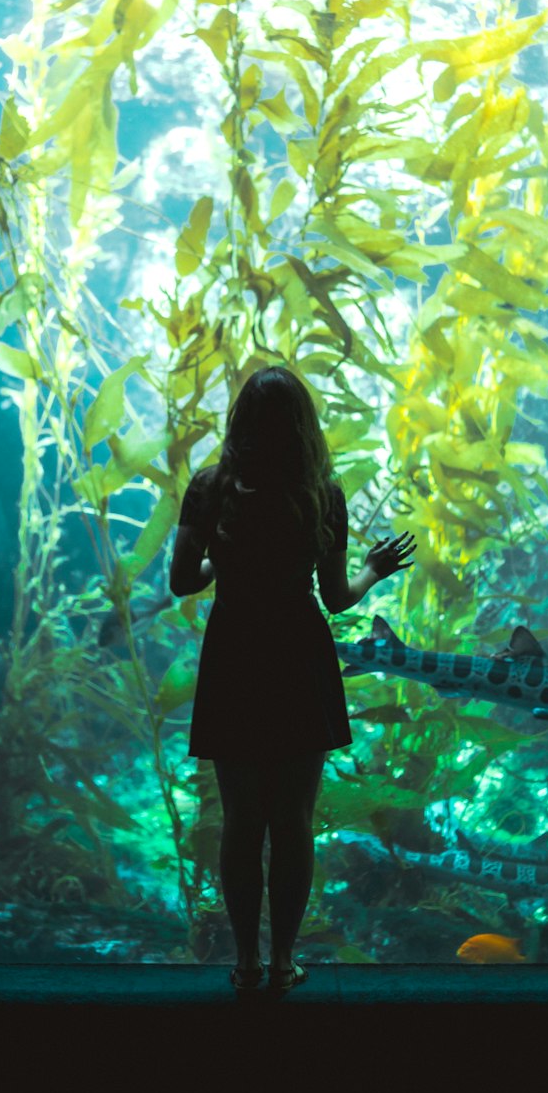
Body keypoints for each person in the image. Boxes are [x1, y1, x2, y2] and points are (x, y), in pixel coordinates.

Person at [169, 365, 415, 995]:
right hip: (298, 655)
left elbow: (182, 581)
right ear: (304, 428)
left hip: (235, 653)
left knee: (242, 819)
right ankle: (283, 961)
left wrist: (220, 558)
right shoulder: (321, 494)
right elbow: (336, 599)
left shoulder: (207, 488)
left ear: (240, 425)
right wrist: (373, 571)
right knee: (293, 819)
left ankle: (246, 963)